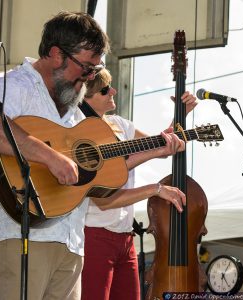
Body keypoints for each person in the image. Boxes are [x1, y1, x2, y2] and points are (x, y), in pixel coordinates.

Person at [0, 11, 110, 300]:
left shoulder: (74, 108)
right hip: (21, 236)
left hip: (71, 244)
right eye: (86, 67)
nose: (89, 76)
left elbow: (103, 172)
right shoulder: (13, 85)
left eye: (95, 70)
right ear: (57, 54)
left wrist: (157, 148)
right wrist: (50, 156)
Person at [80, 68, 197, 300]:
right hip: (94, 234)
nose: (113, 90)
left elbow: (160, 145)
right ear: (86, 98)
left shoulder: (120, 124)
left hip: (125, 236)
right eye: (105, 90)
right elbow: (109, 181)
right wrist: (156, 184)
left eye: (111, 85)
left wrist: (180, 115)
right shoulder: (79, 131)